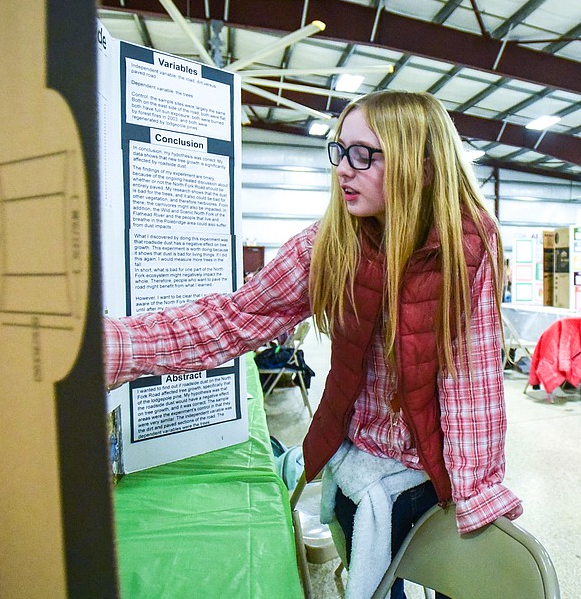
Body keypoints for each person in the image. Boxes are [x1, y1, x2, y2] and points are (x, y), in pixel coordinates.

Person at [102, 90, 521, 599]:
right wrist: (115, 347)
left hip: (434, 473)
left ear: (422, 164)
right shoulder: (328, 243)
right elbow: (232, 318)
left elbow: (471, 379)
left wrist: (476, 497)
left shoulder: (470, 244)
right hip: (357, 460)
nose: (344, 168)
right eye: (340, 150)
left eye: (365, 154)